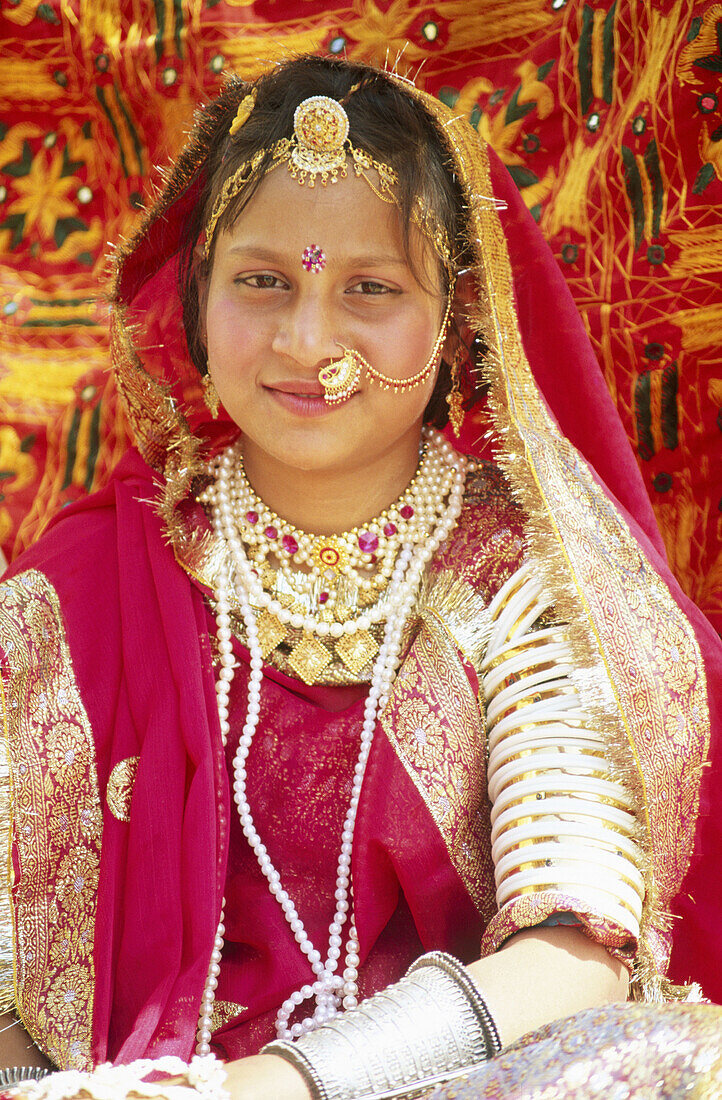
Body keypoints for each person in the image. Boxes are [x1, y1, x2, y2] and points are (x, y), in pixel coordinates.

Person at [0, 54, 720, 1100]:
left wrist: (277, 1086)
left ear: (457, 317)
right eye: (261, 280)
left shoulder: (527, 574)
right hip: (137, 1086)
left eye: (369, 289)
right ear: (196, 298)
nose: (307, 341)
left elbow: (577, 946)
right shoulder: (76, 591)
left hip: (444, 1077)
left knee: (681, 1060)